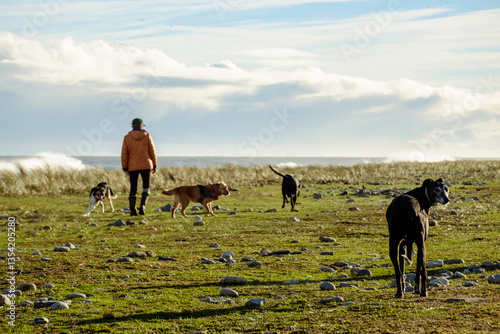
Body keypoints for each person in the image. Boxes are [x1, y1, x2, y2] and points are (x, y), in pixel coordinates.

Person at [121, 118, 157, 216]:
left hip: (132, 166)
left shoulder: (127, 137)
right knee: (146, 187)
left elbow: (124, 153)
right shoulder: (147, 136)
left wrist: (125, 167)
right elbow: (152, 151)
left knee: (133, 188)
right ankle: (143, 207)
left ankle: (133, 211)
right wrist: (154, 164)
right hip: (146, 165)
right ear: (141, 125)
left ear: (132, 125)